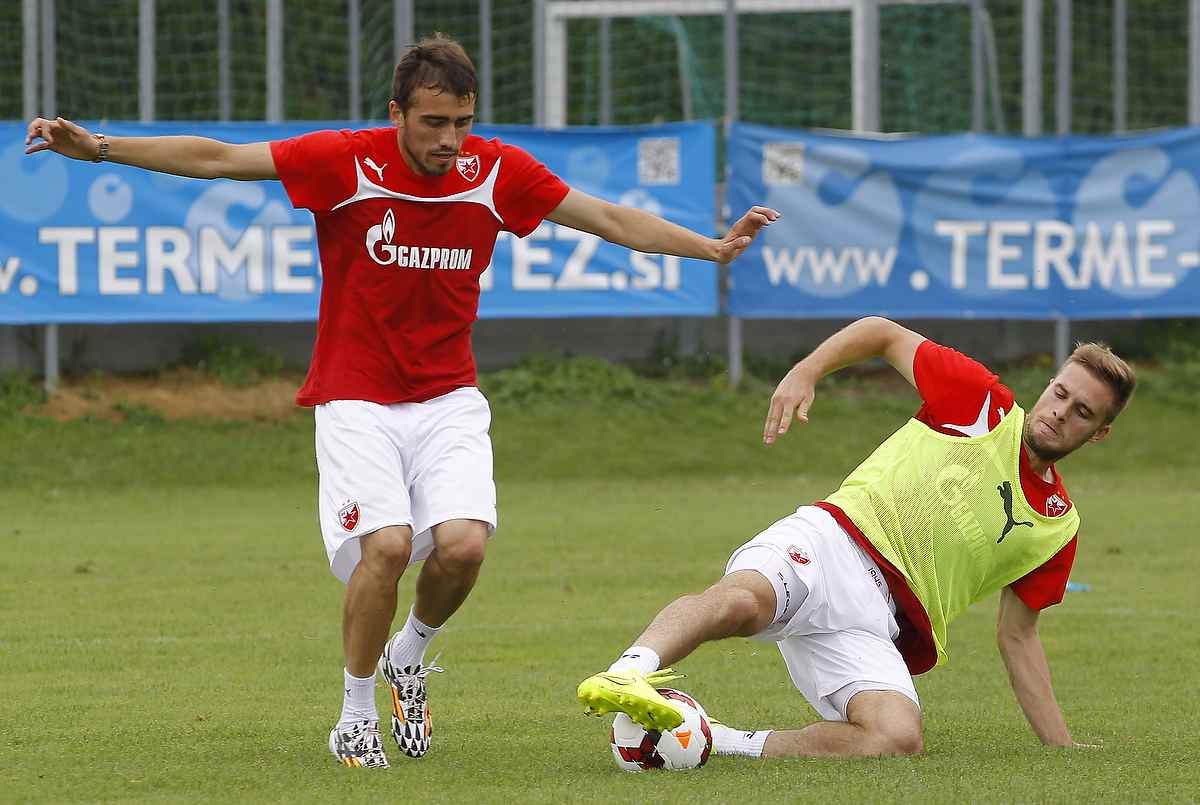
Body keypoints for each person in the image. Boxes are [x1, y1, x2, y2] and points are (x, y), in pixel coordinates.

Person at [25, 34, 779, 770]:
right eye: (433, 123)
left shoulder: (495, 172)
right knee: (385, 546)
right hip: (355, 396)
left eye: (462, 121)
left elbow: (609, 219)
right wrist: (96, 147)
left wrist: (710, 247)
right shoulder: (346, 159)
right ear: (397, 113)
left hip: (448, 395)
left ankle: (407, 655)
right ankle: (354, 719)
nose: (451, 139)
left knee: (465, 547)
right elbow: (220, 159)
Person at [577, 316, 1135, 759]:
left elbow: (1019, 637)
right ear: (1049, 384)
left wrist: (1061, 746)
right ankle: (629, 672)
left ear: (1100, 433)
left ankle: (714, 740)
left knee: (896, 738)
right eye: (1060, 392)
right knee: (745, 600)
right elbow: (882, 332)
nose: (1060, 412)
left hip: (877, 622)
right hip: (833, 542)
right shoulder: (981, 403)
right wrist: (807, 371)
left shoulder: (1058, 528)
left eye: (1082, 411)